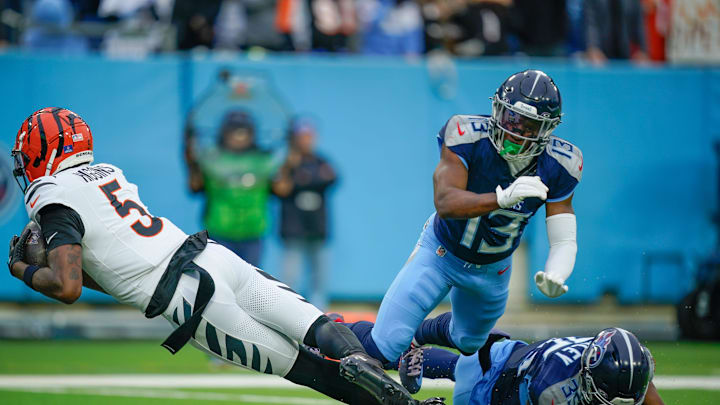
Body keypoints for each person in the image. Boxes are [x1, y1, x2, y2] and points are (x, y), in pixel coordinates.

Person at [6, 107, 444, 405]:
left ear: (42, 151)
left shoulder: (54, 195)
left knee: (309, 370)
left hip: (189, 297)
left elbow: (67, 287)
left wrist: (23, 269)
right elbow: (103, 271)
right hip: (214, 257)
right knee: (318, 327)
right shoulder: (106, 173)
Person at [360, 70, 583, 370]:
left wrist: (558, 270)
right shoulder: (466, 135)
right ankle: (327, 331)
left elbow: (564, 236)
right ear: (496, 110)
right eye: (510, 118)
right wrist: (500, 198)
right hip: (441, 252)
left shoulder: (560, 164)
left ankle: (418, 340)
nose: (515, 130)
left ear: (547, 129)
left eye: (528, 126)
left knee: (468, 342)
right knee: (384, 346)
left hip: (493, 270)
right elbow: (445, 202)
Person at [331, 313, 665, 405]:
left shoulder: (622, 363)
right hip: (492, 391)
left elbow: (640, 389)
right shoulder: (553, 388)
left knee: (459, 364)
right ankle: (338, 339)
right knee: (465, 370)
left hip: (509, 352)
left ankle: (340, 331)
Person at [186, 110, 274, 267]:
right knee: (221, 280)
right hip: (220, 231)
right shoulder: (211, 158)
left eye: (243, 131)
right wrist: (191, 159)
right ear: (224, 133)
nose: (239, 136)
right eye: (233, 131)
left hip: (253, 232)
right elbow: (195, 186)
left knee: (251, 282)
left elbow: (282, 189)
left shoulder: (263, 160)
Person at [273, 118, 337, 310]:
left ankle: (319, 314)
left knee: (319, 276)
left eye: (310, 136)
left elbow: (331, 177)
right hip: (293, 229)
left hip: (317, 228)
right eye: (302, 136)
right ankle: (288, 311)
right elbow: (280, 189)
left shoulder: (321, 161)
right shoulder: (285, 164)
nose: (306, 140)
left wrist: (301, 180)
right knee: (290, 276)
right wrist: (291, 169)